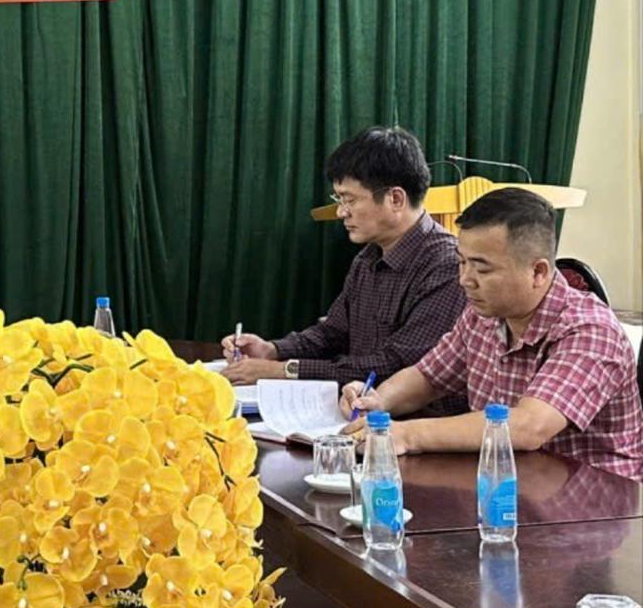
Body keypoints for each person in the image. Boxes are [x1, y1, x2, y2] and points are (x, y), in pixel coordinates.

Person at [342, 188, 643, 482]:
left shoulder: (590, 331)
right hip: (507, 485)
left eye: (482, 270)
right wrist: (378, 401)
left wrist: (407, 434)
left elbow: (529, 427)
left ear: (538, 272)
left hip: (593, 500)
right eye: (462, 262)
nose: (465, 280)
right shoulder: (482, 315)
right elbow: (428, 377)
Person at [221, 126, 464, 391]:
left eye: (349, 200)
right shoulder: (367, 257)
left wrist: (284, 370)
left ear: (395, 199)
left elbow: (398, 366)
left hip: (409, 415)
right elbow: (333, 333)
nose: (341, 212)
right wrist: (273, 350)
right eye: (339, 199)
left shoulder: (448, 265)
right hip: (356, 403)